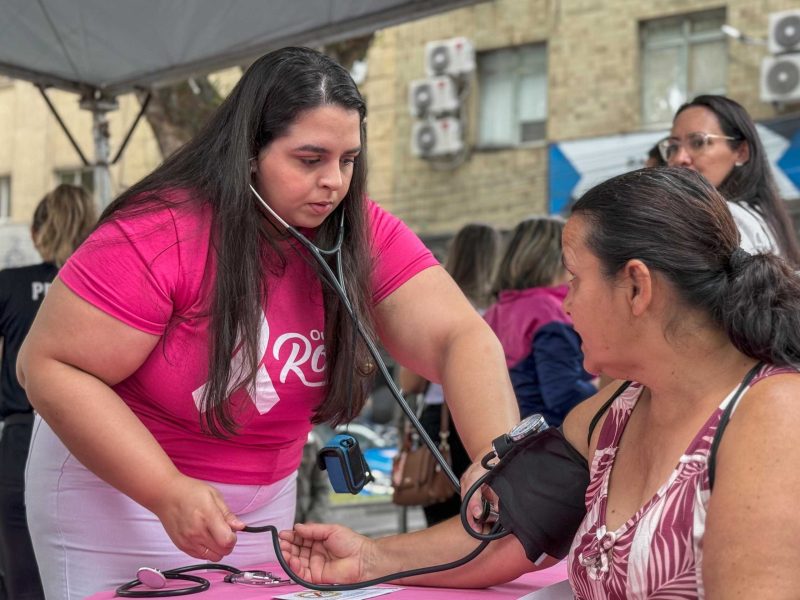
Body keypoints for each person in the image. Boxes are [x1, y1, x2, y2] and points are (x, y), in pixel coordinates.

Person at [17, 47, 519, 599]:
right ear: (249, 153)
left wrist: (494, 457)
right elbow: (49, 365)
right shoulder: (159, 231)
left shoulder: (361, 231)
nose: (334, 182)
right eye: (310, 159)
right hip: (121, 497)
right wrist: (164, 489)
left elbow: (460, 338)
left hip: (262, 505)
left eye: (348, 160)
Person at [279, 167, 800, 598]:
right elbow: (507, 538)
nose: (566, 304)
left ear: (636, 287)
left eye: (574, 280)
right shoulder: (611, 413)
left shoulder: (772, 417)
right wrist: (370, 557)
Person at [0, 184, 96, 600]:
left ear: (37, 233)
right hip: (94, 438)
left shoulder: (9, 284)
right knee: (86, 575)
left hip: (22, 436)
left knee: (23, 577)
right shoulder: (105, 286)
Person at [398, 222, 501, 525]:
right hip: (491, 417)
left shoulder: (438, 306)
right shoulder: (501, 308)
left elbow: (409, 382)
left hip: (440, 416)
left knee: (441, 514)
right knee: (486, 518)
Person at [660, 94, 800, 264]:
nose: (679, 158)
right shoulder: (757, 215)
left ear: (741, 152)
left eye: (698, 142)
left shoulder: (728, 220)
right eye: (673, 147)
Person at [484, 217, 596, 426]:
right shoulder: (548, 310)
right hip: (554, 432)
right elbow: (563, 392)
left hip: (510, 433)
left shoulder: (494, 313)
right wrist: (605, 389)